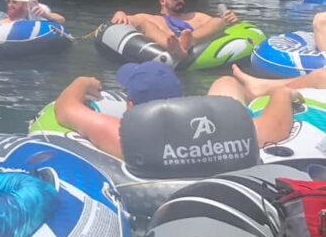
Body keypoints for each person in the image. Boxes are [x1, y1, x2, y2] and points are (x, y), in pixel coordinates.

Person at [53, 61, 297, 158]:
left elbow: (64, 109)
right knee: (225, 82)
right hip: (221, 138)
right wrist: (281, 93)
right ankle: (252, 89)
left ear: (129, 104)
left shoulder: (123, 136)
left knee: (225, 85)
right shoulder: (228, 133)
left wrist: (82, 82)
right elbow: (276, 127)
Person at [109, 0, 239, 59]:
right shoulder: (150, 18)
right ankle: (174, 46)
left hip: (192, 42)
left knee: (217, 20)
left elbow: (220, 26)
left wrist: (229, 20)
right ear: (163, 0)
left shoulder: (196, 16)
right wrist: (120, 13)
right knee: (146, 24)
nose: (181, 0)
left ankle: (188, 41)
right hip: (167, 48)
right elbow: (126, 20)